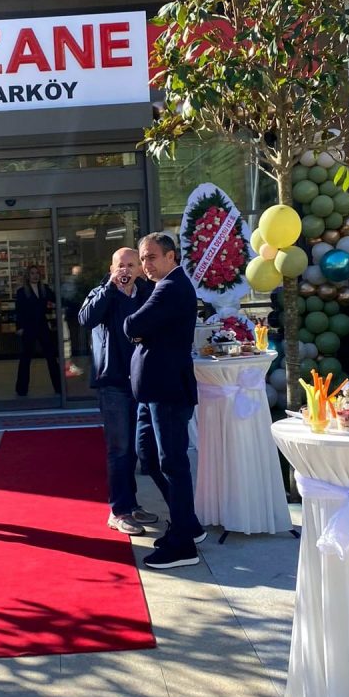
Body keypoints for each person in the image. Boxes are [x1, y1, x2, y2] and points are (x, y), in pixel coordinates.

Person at [124, 233, 203, 569]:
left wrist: (140, 330)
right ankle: (188, 524)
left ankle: (183, 544)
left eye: (151, 257)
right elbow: (141, 328)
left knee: (172, 464)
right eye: (143, 258)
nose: (145, 264)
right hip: (153, 391)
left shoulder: (170, 287)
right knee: (149, 457)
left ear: (171, 256)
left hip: (167, 390)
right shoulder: (162, 287)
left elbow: (132, 325)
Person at [79, 247, 162, 536]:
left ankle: (132, 503)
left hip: (141, 381)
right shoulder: (102, 293)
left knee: (136, 449)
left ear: (140, 269)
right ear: (112, 268)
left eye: (131, 264)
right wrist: (109, 289)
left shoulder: (147, 293)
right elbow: (85, 319)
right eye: (120, 265)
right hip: (112, 383)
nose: (125, 270)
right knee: (119, 449)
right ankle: (119, 511)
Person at [14, 265, 62, 396]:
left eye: (37, 273)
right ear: (28, 276)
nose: (35, 275)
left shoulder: (44, 289)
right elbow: (19, 311)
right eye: (32, 273)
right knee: (25, 358)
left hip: (42, 326)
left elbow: (56, 299)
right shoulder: (22, 292)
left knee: (51, 357)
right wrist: (19, 327)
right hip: (28, 327)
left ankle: (59, 387)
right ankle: (21, 389)